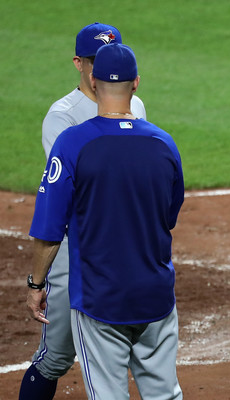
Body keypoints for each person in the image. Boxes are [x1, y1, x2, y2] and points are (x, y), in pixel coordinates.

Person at [26, 42, 184, 400]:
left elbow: (50, 229)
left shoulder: (71, 143)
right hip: (155, 293)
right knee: (166, 395)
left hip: (100, 297)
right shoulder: (164, 143)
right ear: (136, 83)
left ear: (93, 81)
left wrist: (36, 285)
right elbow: (169, 215)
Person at [19, 22, 146, 400]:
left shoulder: (135, 105)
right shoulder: (63, 116)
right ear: (79, 63)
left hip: (124, 247)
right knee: (55, 357)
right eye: (94, 60)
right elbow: (68, 195)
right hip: (77, 249)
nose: (104, 67)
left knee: (138, 353)